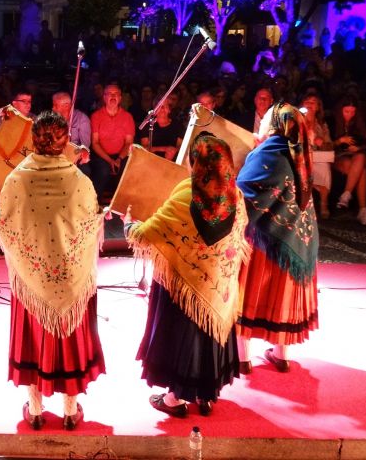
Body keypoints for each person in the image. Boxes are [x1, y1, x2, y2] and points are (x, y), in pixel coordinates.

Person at [123, 133, 250, 418]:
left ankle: (174, 400)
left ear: (196, 163)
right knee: (209, 336)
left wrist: (129, 225)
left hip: (185, 287)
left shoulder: (186, 193)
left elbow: (146, 235)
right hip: (219, 286)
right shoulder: (236, 195)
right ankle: (206, 396)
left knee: (182, 338)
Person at [0, 111, 105, 431]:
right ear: (64, 142)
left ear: (34, 142)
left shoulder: (17, 178)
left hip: (33, 278)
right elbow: (88, 222)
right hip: (70, 278)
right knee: (68, 339)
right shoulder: (78, 180)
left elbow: (3, 224)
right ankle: (71, 411)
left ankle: (36, 409)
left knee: (34, 338)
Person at [236, 103, 319, 374]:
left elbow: (244, 191)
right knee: (282, 296)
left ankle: (242, 357)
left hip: (264, 240)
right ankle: (281, 355)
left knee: (249, 292)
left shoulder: (268, 151)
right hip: (292, 239)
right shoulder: (301, 152)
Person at [90, 84, 135, 201]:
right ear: (104, 97)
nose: (113, 96)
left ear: (120, 98)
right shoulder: (96, 116)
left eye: (116, 94)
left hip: (121, 155)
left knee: (127, 169)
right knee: (103, 170)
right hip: (101, 155)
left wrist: (119, 159)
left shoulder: (127, 117)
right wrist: (110, 161)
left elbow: (129, 142)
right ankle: (95, 202)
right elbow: (95, 143)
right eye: (110, 94)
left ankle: (121, 204)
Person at [333, 95, 366, 225]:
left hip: (356, 155)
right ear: (341, 110)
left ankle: (346, 195)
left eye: (353, 112)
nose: (350, 115)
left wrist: (357, 147)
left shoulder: (358, 123)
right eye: (346, 111)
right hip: (338, 156)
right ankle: (363, 210)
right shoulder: (332, 121)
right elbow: (327, 144)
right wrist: (340, 141)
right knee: (362, 171)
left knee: (360, 158)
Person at [300, 93, 336, 221]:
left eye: (313, 102)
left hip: (317, 157)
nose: (309, 104)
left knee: (324, 167)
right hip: (300, 156)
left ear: (318, 107)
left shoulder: (321, 124)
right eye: (307, 101)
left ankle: (323, 204)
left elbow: (329, 145)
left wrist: (322, 142)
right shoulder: (296, 119)